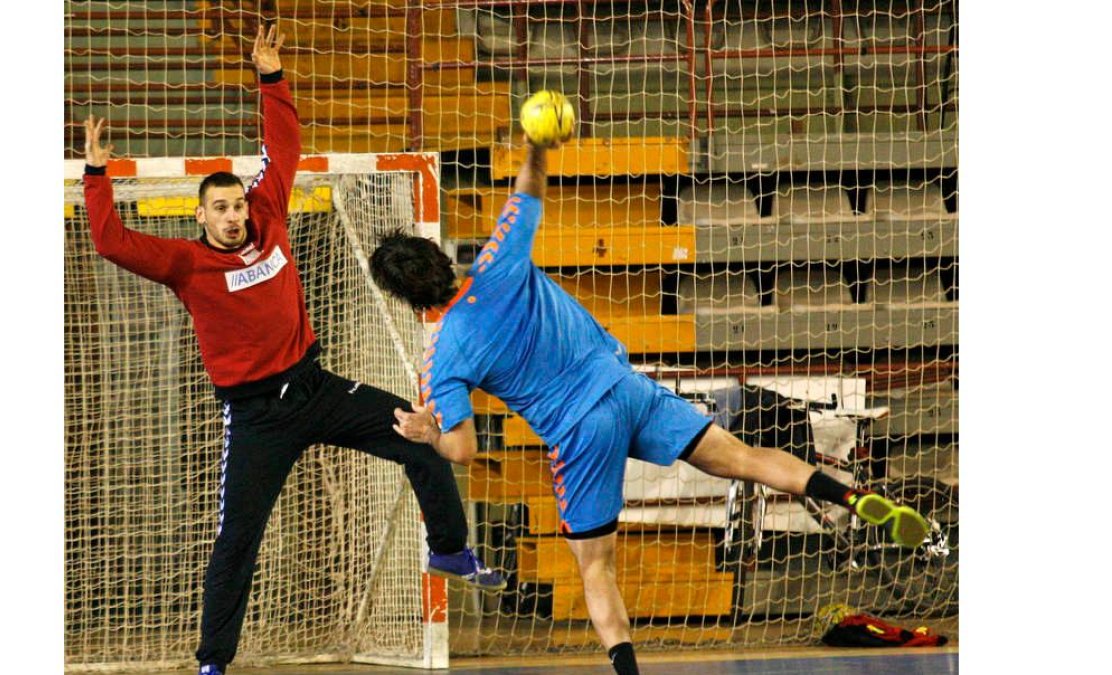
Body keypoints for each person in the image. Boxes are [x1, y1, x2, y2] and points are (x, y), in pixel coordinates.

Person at [368, 133, 930, 675]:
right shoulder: (498, 259)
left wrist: (428, 435)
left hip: (580, 431)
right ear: (439, 258)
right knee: (746, 458)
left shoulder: (441, 358)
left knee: (595, 567)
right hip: (628, 386)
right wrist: (537, 143)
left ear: (403, 298)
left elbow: (462, 451)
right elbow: (529, 184)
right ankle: (851, 496)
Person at [80, 24, 504, 675]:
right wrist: (96, 173)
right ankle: (213, 660)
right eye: (219, 208)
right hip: (258, 419)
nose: (232, 216)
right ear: (200, 216)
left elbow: (284, 146)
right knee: (237, 543)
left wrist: (271, 78)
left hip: (319, 389)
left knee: (419, 433)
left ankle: (448, 549)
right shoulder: (187, 265)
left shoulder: (269, 211)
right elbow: (109, 241)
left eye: (235, 206)